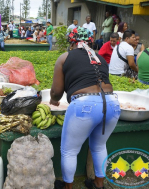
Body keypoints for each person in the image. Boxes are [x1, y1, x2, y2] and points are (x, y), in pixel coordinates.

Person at [51, 26, 120, 189]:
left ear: (71, 42)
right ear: (90, 41)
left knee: (69, 151)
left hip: (84, 105)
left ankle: (68, 186)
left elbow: (56, 91)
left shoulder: (64, 57)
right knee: (99, 146)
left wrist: (54, 100)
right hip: (112, 104)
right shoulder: (100, 58)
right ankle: (98, 183)